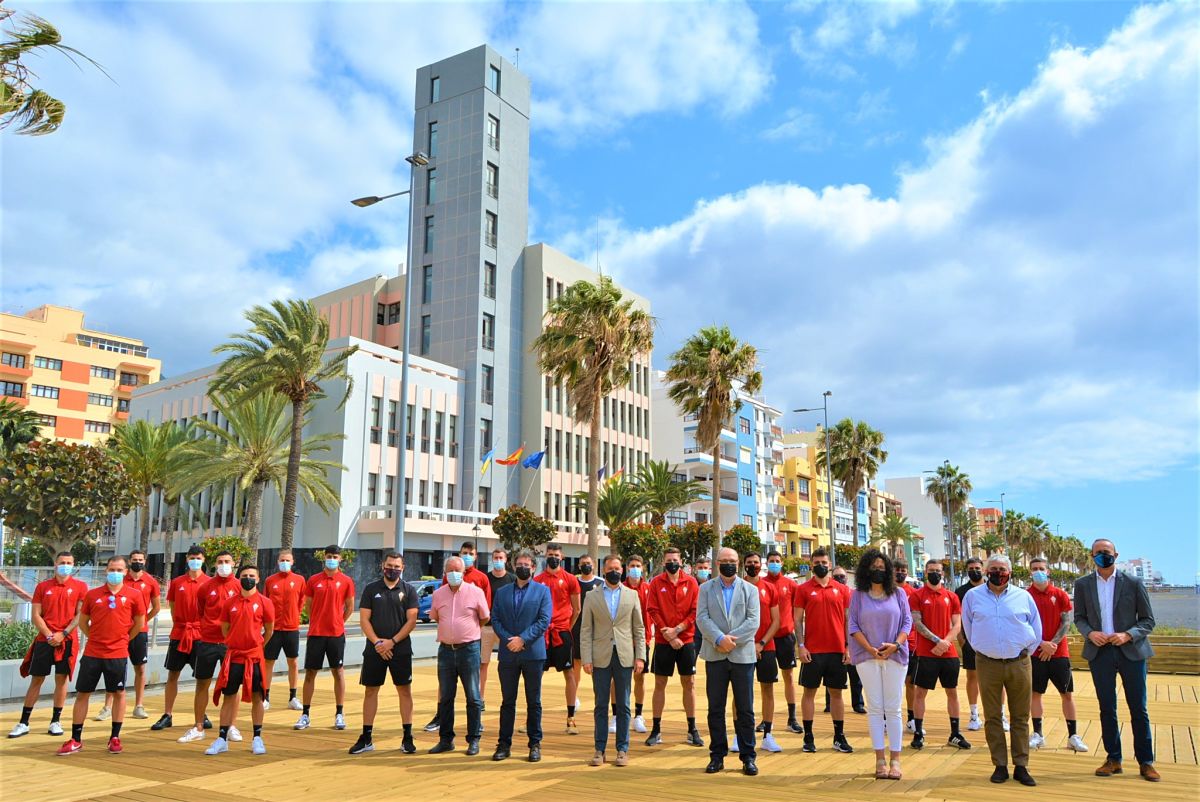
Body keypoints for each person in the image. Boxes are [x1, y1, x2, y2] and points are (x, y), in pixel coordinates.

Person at [1074, 538, 1158, 782]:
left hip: (1131, 651)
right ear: (1091, 556)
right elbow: (1079, 617)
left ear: (1116, 554)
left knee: (1138, 708)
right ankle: (1113, 758)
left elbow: (1148, 620)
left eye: (1107, 552)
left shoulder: (1133, 582)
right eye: (1098, 552)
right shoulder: (1083, 584)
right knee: (1106, 707)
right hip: (1100, 653)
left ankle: (1146, 762)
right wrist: (1090, 633)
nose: (1103, 555)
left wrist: (1127, 635)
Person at [961, 555, 1040, 786]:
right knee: (993, 717)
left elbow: (1036, 627)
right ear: (987, 571)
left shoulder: (1023, 596)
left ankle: (1021, 765)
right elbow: (968, 626)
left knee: (1020, 717)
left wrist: (1023, 651)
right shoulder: (972, 597)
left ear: (1010, 572)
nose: (998, 572)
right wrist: (982, 648)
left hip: (1019, 662)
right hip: (987, 663)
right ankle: (1000, 765)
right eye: (994, 569)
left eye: (1002, 569)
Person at [56, 556, 146, 755]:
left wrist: (124, 639)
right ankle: (76, 739)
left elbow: (139, 622)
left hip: (118, 653)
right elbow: (83, 622)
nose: (115, 572)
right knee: (83, 694)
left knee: (119, 693)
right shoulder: (93, 594)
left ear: (125, 571)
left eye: (119, 569)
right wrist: (95, 637)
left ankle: (115, 737)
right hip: (93, 653)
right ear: (106, 570)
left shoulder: (133, 595)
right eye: (112, 568)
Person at [847, 549, 911, 781]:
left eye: (882, 567)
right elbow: (852, 625)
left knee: (893, 709)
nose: (878, 570)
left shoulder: (899, 594)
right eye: (874, 567)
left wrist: (895, 644)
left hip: (895, 655)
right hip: (867, 657)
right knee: (875, 709)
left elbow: (907, 622)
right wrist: (870, 649)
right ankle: (880, 759)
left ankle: (895, 759)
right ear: (866, 569)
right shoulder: (858, 595)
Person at [697, 547, 761, 776]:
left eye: (732, 560)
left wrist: (731, 640)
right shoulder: (705, 588)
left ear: (739, 563)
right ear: (717, 563)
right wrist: (718, 639)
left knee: (745, 709)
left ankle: (748, 757)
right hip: (715, 655)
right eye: (724, 561)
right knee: (716, 708)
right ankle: (717, 756)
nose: (728, 564)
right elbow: (702, 618)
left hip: (742, 655)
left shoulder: (750, 590)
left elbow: (753, 621)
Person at [10, 551, 87, 738]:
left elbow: (80, 615)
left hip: (67, 640)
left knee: (61, 680)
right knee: (36, 679)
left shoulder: (80, 586)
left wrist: (64, 633)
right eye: (62, 562)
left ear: (73, 565)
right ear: (55, 564)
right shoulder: (43, 587)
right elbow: (36, 614)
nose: (65, 565)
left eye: (69, 562)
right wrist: (49, 634)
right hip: (45, 640)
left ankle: (55, 721)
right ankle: (24, 722)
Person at [348, 552, 418, 755]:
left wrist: (392, 642)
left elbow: (411, 621)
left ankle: (407, 736)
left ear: (402, 568)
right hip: (374, 650)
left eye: (397, 566)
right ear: (382, 566)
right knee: (370, 691)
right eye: (390, 565)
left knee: (404, 691)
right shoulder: (371, 589)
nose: (393, 569)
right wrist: (378, 642)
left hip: (401, 649)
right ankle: (366, 737)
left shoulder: (409, 590)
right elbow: (364, 620)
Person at [581, 554, 647, 767]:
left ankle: (622, 749)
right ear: (604, 571)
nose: (614, 571)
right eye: (610, 568)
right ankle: (599, 749)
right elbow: (586, 629)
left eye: (618, 568)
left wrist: (640, 656)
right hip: (600, 656)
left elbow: (638, 628)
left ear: (623, 570)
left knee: (624, 704)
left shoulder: (632, 595)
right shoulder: (592, 596)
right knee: (601, 704)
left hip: (625, 655)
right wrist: (586, 658)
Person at [206, 565, 274, 756]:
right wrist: (234, 642)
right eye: (244, 575)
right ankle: (222, 738)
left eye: (252, 575)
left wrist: (258, 645)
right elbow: (225, 628)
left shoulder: (264, 602)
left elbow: (269, 629)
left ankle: (257, 738)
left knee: (257, 697)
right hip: (235, 656)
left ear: (258, 579)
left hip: (253, 656)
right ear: (239, 577)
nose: (248, 578)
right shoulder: (230, 603)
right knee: (229, 695)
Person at [490, 550, 552, 762]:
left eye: (527, 564)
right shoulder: (503, 592)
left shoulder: (543, 592)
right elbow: (495, 619)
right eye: (519, 564)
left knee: (533, 702)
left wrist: (523, 640)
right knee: (508, 701)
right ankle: (503, 744)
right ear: (513, 567)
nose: (523, 567)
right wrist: (510, 640)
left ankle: (534, 744)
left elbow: (544, 620)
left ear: (534, 568)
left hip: (533, 654)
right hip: (508, 654)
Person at [426, 542, 493, 733]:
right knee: (446, 696)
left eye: (458, 570)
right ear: (445, 573)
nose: (454, 573)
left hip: (469, 649)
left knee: (473, 696)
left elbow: (484, 616)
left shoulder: (477, 588)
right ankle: (446, 738)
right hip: (446, 650)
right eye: (450, 570)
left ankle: (473, 736)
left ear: (463, 573)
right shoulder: (439, 593)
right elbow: (436, 616)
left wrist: (469, 630)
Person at [794, 547, 853, 754]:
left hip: (837, 650)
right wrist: (801, 646)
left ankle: (839, 736)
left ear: (830, 565)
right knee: (809, 693)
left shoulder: (842, 590)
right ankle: (808, 737)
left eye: (824, 563)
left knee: (836, 694)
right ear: (812, 565)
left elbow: (848, 620)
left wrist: (848, 646)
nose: (821, 566)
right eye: (817, 563)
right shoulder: (803, 589)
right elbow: (797, 621)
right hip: (812, 651)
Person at [178, 550, 239, 745]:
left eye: (227, 561)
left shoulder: (239, 586)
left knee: (232, 687)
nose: (223, 565)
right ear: (214, 564)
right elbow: (201, 610)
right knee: (202, 684)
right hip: (207, 642)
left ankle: (231, 725)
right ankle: (198, 726)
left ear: (234, 563)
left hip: (230, 644)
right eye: (220, 561)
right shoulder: (205, 587)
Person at [1028, 557, 1088, 753]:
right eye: (1034, 569)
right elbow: (1023, 625)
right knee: (1035, 694)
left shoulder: (1060, 594)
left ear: (1048, 571)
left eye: (1041, 568)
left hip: (1058, 653)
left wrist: (1052, 644)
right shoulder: (1025, 596)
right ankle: (1037, 734)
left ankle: (1073, 736)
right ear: (1030, 572)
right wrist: (1040, 644)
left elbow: (1066, 623)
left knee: (1067, 694)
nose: (1038, 571)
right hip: (1035, 654)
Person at [909, 559, 971, 751]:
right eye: (931, 570)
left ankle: (955, 733)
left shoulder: (951, 597)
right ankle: (918, 733)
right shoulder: (917, 595)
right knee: (920, 693)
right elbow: (917, 623)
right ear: (925, 572)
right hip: (926, 653)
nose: (934, 573)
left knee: (952, 692)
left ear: (942, 574)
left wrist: (945, 643)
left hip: (948, 654)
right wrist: (937, 641)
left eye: (937, 570)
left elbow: (957, 625)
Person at [645, 547, 702, 747]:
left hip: (686, 640)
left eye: (675, 559)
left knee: (689, 683)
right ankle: (656, 729)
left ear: (681, 561)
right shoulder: (656, 583)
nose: (672, 563)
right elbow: (652, 610)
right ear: (663, 562)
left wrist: (678, 630)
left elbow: (695, 611)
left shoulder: (692, 582)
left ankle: (692, 729)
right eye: (669, 560)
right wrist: (667, 634)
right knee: (660, 684)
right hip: (663, 641)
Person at [295, 544, 356, 732]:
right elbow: (308, 606)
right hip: (316, 634)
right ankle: (305, 714)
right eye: (329, 556)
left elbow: (350, 607)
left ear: (340, 559)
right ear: (324, 558)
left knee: (338, 672)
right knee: (310, 673)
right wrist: (317, 621)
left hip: (336, 634)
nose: (332, 559)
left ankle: (339, 713)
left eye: (335, 556)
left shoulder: (346, 581)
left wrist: (338, 621)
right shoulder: (313, 580)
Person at [152, 545, 208, 732]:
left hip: (200, 635)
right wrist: (181, 625)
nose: (195, 560)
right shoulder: (177, 582)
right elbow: (173, 607)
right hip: (180, 633)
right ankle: (168, 714)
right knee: (172, 674)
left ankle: (202, 714)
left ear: (203, 559)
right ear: (187, 559)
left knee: (202, 678)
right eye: (192, 557)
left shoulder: (209, 583)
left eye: (198, 557)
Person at [99, 549, 159, 722]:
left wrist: (141, 622)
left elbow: (155, 607)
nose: (137, 562)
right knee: (115, 667)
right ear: (129, 562)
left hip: (139, 633)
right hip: (119, 632)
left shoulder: (150, 581)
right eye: (134, 559)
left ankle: (139, 706)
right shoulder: (120, 578)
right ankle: (107, 707)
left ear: (145, 561)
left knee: (140, 668)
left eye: (140, 559)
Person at [533, 544, 581, 734]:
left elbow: (577, 609)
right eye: (550, 554)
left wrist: (565, 628)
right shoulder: (537, 580)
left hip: (561, 633)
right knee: (536, 675)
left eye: (556, 555)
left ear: (562, 557)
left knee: (569, 673)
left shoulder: (570, 579)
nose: (553, 557)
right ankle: (534, 718)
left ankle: (570, 718)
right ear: (545, 556)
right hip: (541, 634)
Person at [743, 553, 782, 752]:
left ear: (761, 565)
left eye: (756, 562)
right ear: (744, 565)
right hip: (743, 648)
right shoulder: (738, 587)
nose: (753, 565)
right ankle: (740, 736)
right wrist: (749, 644)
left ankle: (767, 734)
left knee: (768, 689)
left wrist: (762, 643)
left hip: (766, 647)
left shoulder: (770, 588)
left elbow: (776, 621)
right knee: (741, 692)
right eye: (749, 563)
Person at [763, 551, 804, 734]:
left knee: (788, 677)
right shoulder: (760, 584)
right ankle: (766, 720)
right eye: (771, 561)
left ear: (782, 563)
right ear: (766, 563)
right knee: (767, 682)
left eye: (777, 561)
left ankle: (792, 718)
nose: (774, 564)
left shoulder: (791, 584)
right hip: (767, 639)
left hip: (786, 637)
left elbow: (798, 612)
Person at [263, 550, 305, 712]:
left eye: (287, 560)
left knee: (293, 662)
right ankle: (265, 697)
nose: (284, 562)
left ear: (293, 562)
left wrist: (296, 616)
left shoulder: (300, 580)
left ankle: (293, 697)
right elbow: (265, 602)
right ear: (277, 562)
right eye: (282, 560)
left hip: (291, 628)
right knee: (268, 663)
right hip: (273, 629)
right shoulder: (270, 580)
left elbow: (302, 600)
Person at [619, 554, 653, 734]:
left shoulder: (648, 588)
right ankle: (617, 715)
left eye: (638, 565)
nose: (635, 568)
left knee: (640, 677)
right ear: (626, 568)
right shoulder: (619, 588)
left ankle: (638, 715)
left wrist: (646, 638)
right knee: (617, 678)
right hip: (621, 640)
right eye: (632, 565)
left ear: (643, 568)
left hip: (642, 640)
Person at [955, 557, 988, 731]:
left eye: (977, 567)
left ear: (983, 569)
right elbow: (956, 618)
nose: (974, 570)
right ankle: (974, 714)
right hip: (970, 643)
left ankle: (1000, 714)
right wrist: (961, 640)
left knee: (996, 678)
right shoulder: (960, 591)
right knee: (972, 677)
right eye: (971, 568)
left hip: (991, 642)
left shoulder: (991, 588)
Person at [480, 547, 515, 704]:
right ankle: (479, 698)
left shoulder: (512, 579)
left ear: (506, 560)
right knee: (482, 663)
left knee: (508, 664)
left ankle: (507, 698)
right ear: (492, 559)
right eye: (495, 557)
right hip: (486, 627)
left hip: (505, 628)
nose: (498, 560)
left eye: (501, 557)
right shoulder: (485, 579)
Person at [831, 565, 866, 714]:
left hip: (853, 639)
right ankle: (829, 703)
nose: (839, 579)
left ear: (847, 578)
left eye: (842, 576)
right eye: (836, 576)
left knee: (855, 675)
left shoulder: (854, 594)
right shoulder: (830, 594)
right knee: (832, 675)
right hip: (835, 639)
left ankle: (857, 703)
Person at [572, 555, 603, 713]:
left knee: (595, 666)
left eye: (589, 564)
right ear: (579, 565)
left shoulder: (600, 583)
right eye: (583, 564)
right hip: (576, 629)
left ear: (594, 565)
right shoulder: (574, 582)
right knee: (576, 663)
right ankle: (574, 698)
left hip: (595, 630)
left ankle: (599, 698)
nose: (586, 566)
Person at [893, 558, 919, 732]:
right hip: (891, 644)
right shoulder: (886, 591)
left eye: (903, 570)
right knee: (892, 684)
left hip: (911, 644)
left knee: (911, 684)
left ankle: (911, 719)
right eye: (897, 570)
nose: (900, 573)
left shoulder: (914, 593)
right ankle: (889, 718)